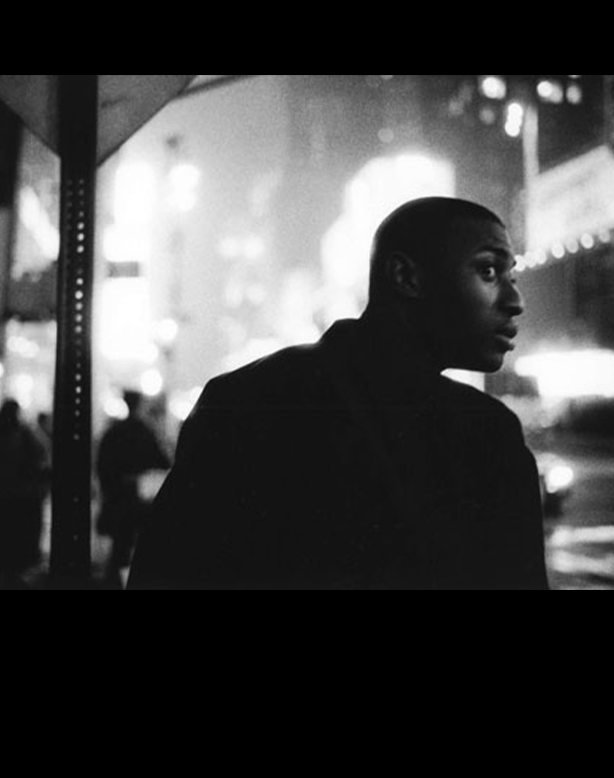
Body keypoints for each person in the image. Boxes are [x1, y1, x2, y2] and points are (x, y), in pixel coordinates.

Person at [128, 196, 547, 589]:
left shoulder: (241, 397)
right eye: (489, 271)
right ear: (405, 277)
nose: (515, 300)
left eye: (511, 276)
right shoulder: (484, 434)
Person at [96, 390, 172, 586]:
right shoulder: (144, 431)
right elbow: (163, 460)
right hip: (139, 497)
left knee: (120, 546)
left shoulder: (113, 432)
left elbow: (102, 464)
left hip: (118, 496)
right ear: (139, 405)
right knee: (142, 544)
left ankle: (113, 581)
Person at [0, 401, 50, 587]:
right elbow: (38, 463)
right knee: (15, 536)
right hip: (18, 497)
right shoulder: (24, 436)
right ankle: (11, 573)